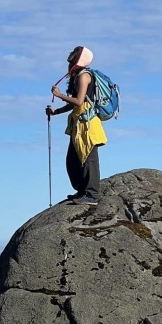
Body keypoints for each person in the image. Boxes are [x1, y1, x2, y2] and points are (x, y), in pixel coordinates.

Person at [45, 46, 107, 206]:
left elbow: (79, 101)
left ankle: (91, 195)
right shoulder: (78, 75)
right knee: (73, 160)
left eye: (72, 57)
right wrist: (56, 111)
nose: (69, 60)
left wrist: (60, 96)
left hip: (88, 124)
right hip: (79, 124)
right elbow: (77, 103)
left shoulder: (84, 76)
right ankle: (82, 191)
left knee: (89, 160)